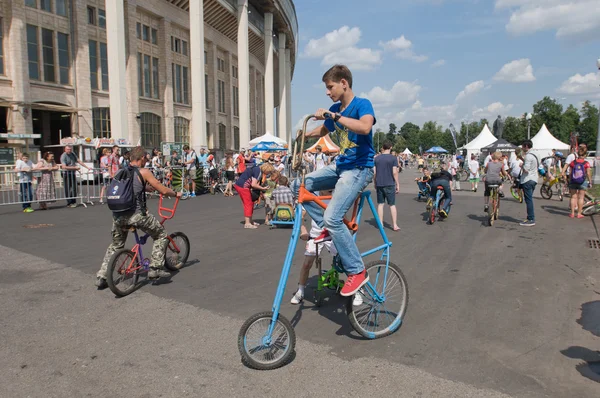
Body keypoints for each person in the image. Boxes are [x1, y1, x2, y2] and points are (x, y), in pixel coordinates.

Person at [292, 64, 375, 297]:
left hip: (360, 168)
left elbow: (365, 126)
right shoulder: (333, 109)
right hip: (340, 167)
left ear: (344, 83)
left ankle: (357, 271)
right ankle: (328, 228)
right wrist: (305, 134)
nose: (328, 92)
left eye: (330, 87)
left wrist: (336, 116)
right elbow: (324, 130)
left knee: (332, 216)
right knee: (299, 185)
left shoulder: (362, 105)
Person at [95, 146, 182, 289]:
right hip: (135, 215)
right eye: (146, 158)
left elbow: (127, 189)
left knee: (116, 245)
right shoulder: (144, 172)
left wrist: (144, 188)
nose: (146, 161)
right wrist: (175, 193)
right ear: (141, 158)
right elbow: (163, 189)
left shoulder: (120, 171)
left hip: (117, 215)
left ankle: (102, 276)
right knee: (160, 234)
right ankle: (155, 269)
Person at [234, 162, 274, 229]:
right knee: (248, 204)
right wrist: (263, 188)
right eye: (269, 171)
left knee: (250, 203)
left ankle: (250, 221)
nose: (269, 173)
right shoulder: (258, 171)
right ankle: (247, 223)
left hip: (241, 185)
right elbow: (253, 184)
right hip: (243, 186)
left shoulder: (256, 169)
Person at [374, 141, 400, 231]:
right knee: (392, 205)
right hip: (390, 183)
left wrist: (375, 182)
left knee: (380, 204)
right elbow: (394, 172)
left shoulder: (376, 158)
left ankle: (381, 224)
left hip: (379, 183)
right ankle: (395, 225)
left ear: (383, 147)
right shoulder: (393, 158)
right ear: (391, 147)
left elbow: (375, 173)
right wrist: (397, 183)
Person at [562, 143, 593, 218]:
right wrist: (590, 182)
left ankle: (572, 213)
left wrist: (569, 179)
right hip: (582, 181)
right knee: (581, 197)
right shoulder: (586, 163)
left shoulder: (573, 162)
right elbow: (588, 173)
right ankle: (579, 213)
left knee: (573, 197)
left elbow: (570, 172)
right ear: (585, 155)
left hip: (573, 181)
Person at [519, 140, 538, 227]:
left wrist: (521, 165)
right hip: (534, 178)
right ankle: (529, 217)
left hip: (527, 179)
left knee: (528, 200)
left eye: (523, 146)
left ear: (526, 146)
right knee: (529, 199)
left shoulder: (528, 156)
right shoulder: (536, 154)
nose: (522, 148)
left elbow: (526, 170)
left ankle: (531, 219)